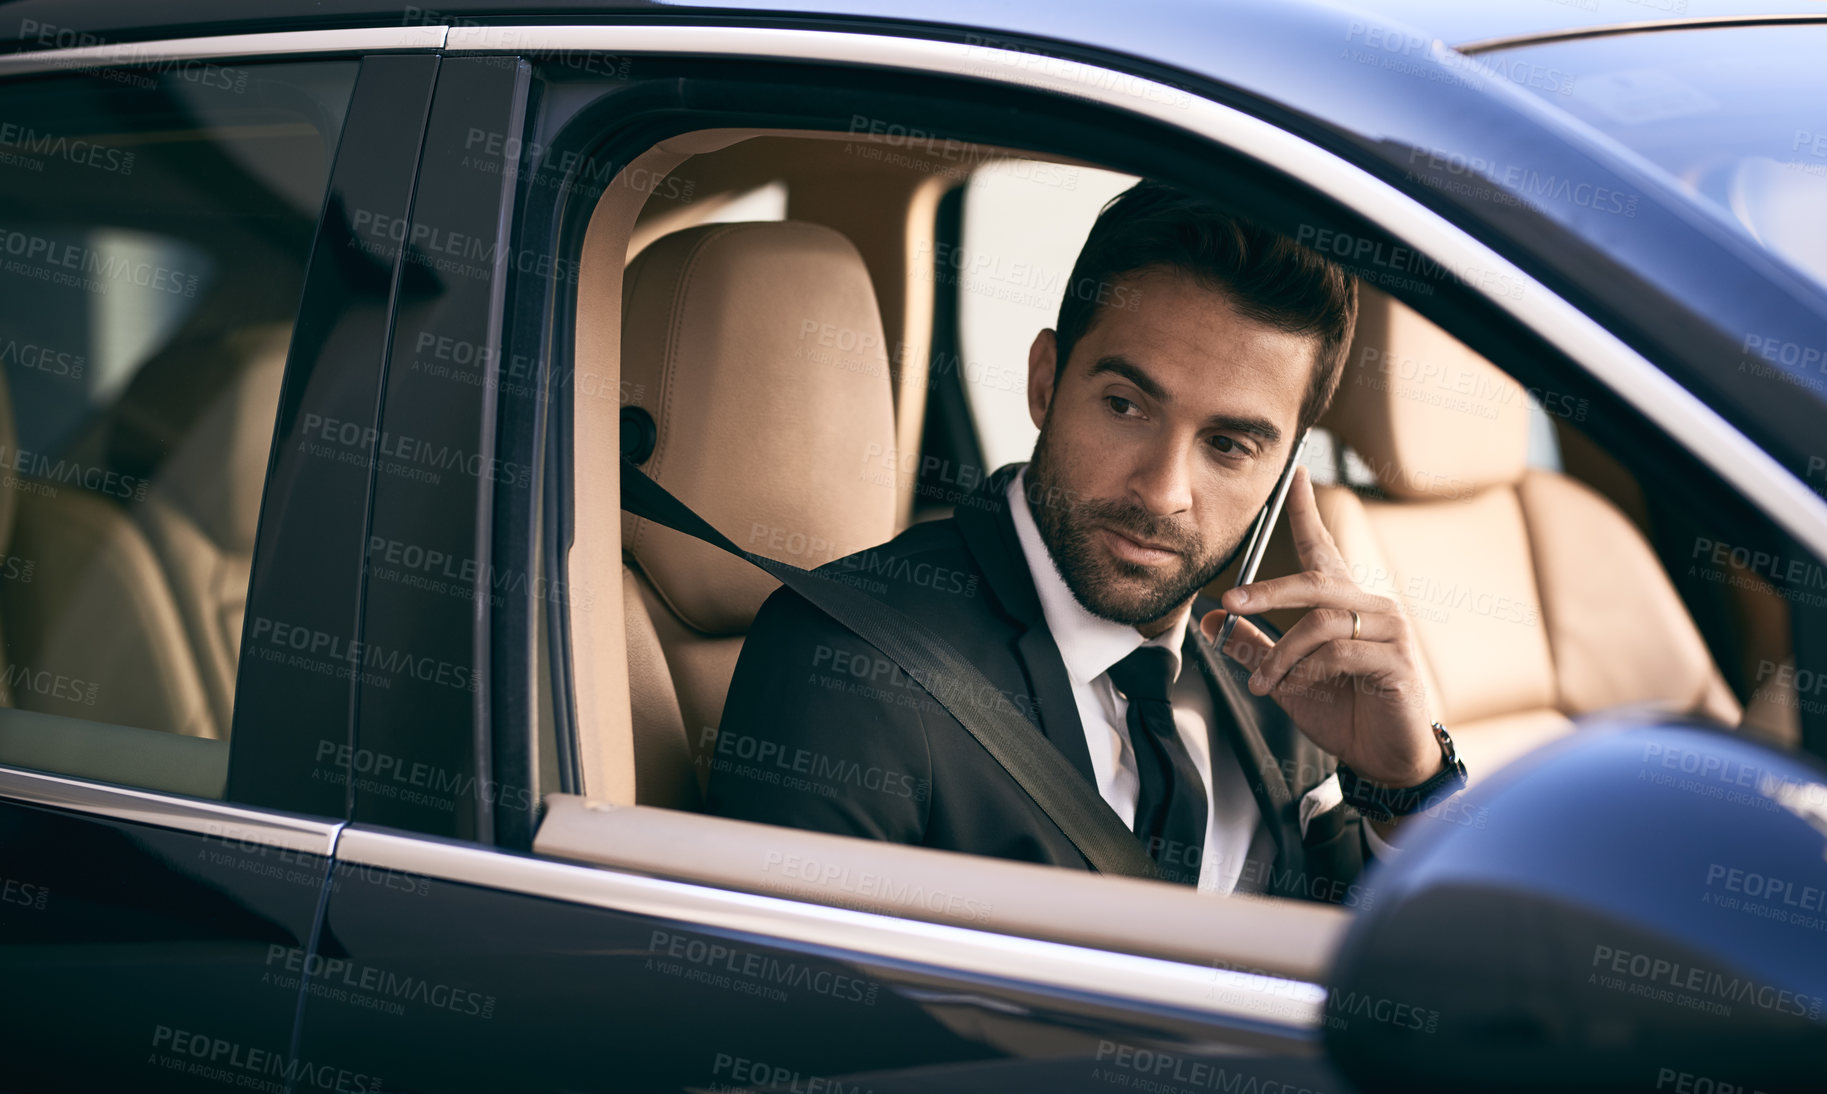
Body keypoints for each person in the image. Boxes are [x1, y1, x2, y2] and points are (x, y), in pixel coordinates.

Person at [705, 179, 1461, 902]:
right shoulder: (849, 667)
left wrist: (1407, 790)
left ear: (1282, 473)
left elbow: (1406, 999)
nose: (1162, 492)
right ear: (1044, 382)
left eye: (1229, 445)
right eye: (1125, 406)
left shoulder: (1288, 695)